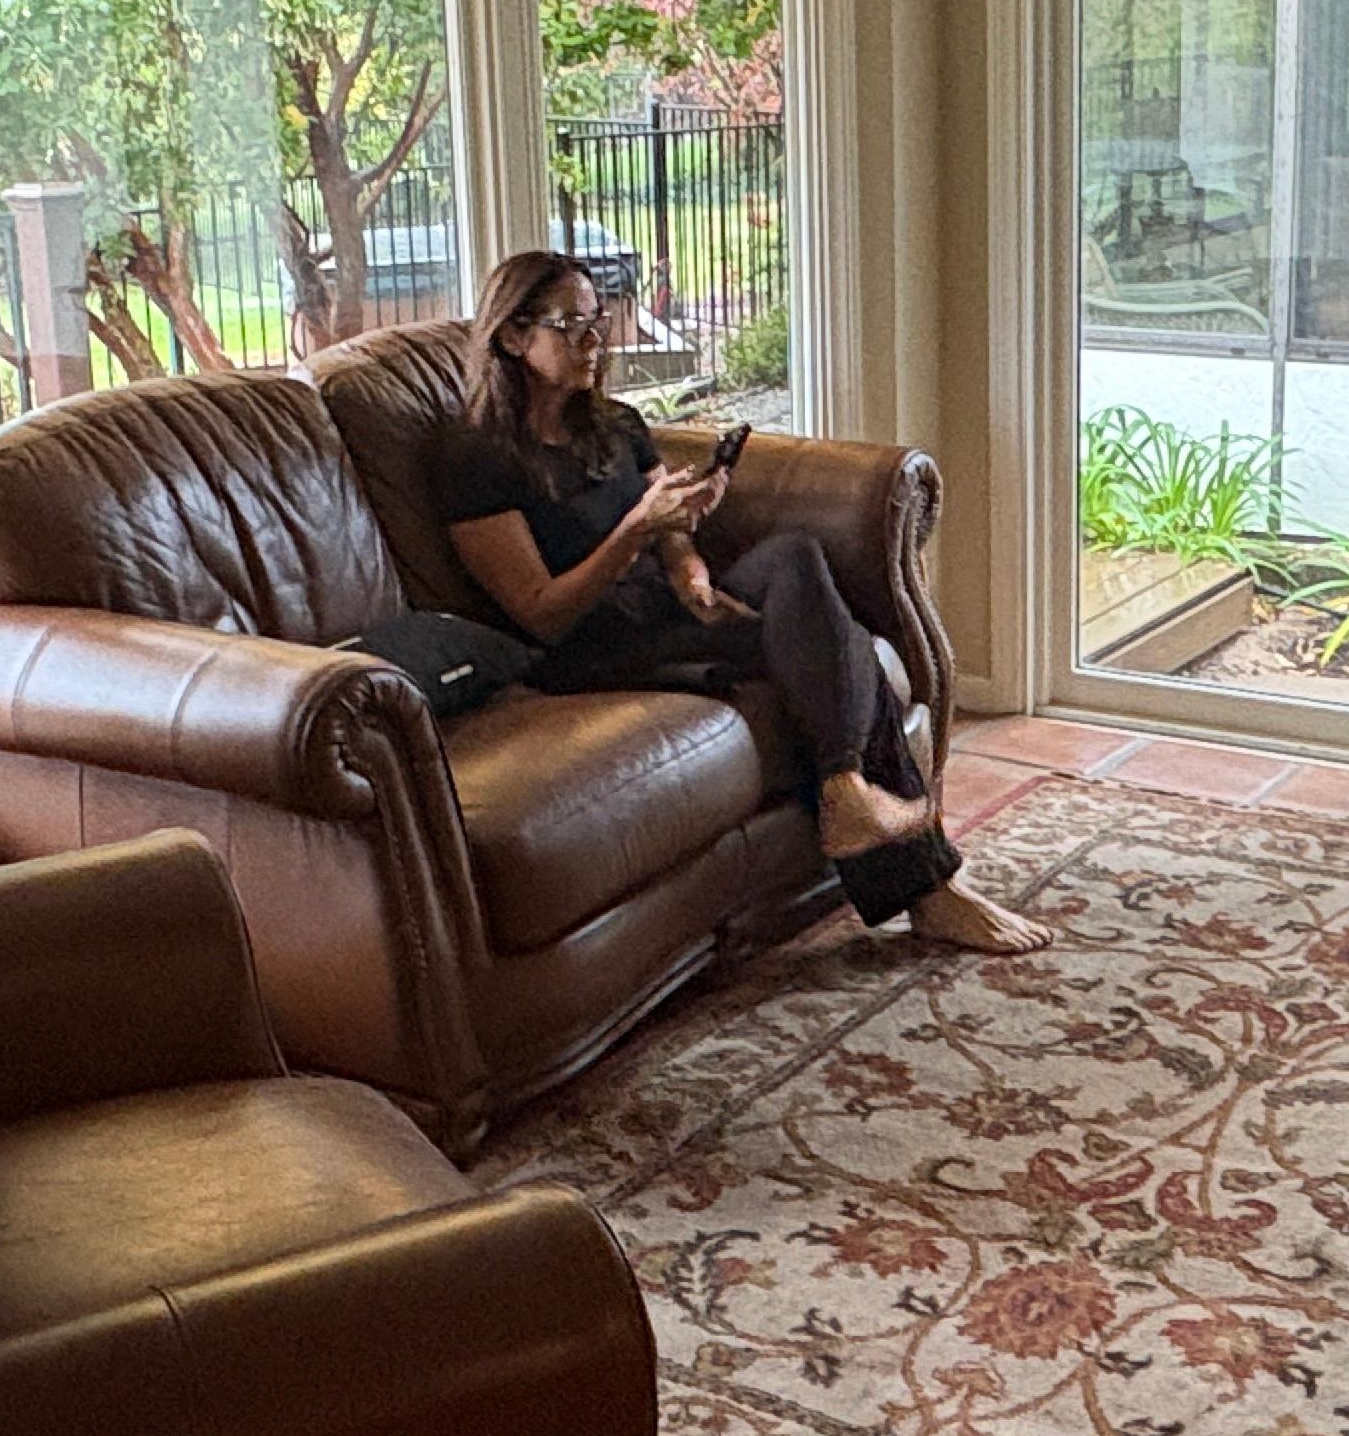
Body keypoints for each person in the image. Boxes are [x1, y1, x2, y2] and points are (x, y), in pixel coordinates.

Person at [435, 250, 1047, 955]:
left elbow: (672, 541)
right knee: (835, 641)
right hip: (587, 647)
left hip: (663, 611)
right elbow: (540, 611)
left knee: (794, 561)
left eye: (598, 321)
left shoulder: (617, 425)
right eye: (570, 326)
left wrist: (690, 567)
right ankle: (925, 882)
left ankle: (850, 793)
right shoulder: (474, 457)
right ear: (513, 337)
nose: (594, 342)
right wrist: (638, 528)